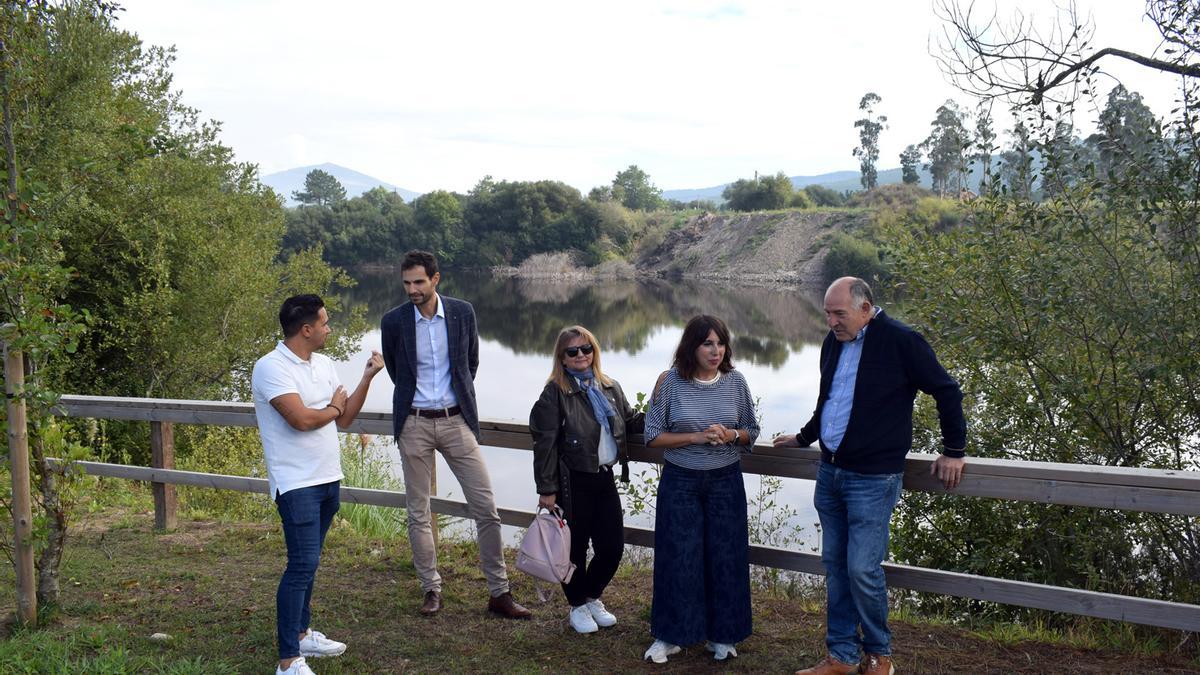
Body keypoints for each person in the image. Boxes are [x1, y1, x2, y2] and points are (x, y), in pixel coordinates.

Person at [777, 277, 967, 675]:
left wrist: (954, 451)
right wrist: (804, 437)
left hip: (872, 479)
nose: (830, 321)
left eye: (838, 313)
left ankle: (879, 656)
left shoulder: (902, 340)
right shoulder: (834, 342)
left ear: (866, 308)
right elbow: (829, 399)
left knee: (863, 568)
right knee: (837, 567)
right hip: (830, 473)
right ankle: (841, 657)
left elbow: (947, 391)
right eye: (827, 313)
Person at [379, 250, 531, 619]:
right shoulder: (393, 321)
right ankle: (431, 589)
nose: (412, 290)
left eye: (418, 282)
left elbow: (470, 364)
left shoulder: (463, 313)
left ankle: (500, 593)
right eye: (406, 283)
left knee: (487, 509)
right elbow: (399, 372)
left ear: (435, 279)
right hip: (413, 424)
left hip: (456, 422)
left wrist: (455, 403)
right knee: (418, 512)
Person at [251, 294, 386, 675]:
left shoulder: (324, 363)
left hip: (328, 478)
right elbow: (301, 419)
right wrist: (332, 409)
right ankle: (288, 659)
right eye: (325, 323)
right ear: (306, 329)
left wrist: (366, 378)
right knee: (301, 565)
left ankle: (302, 632)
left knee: (309, 564)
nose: (329, 328)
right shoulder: (270, 367)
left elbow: (343, 420)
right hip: (296, 484)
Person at [642, 315, 760, 664]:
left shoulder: (736, 382)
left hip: (726, 480)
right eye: (707, 343)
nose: (715, 350)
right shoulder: (670, 382)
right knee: (678, 556)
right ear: (691, 346)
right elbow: (652, 435)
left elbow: (751, 432)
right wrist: (694, 437)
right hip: (681, 480)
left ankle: (723, 636)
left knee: (727, 557)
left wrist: (730, 435)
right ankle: (671, 635)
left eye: (720, 343)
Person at [528, 325, 643, 634]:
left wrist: (663, 407)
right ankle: (577, 605)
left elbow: (630, 422)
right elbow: (545, 442)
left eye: (586, 349)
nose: (581, 355)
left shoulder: (610, 387)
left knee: (612, 548)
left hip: (603, 478)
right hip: (571, 481)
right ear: (562, 358)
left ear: (595, 351)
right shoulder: (555, 392)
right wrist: (547, 489)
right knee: (574, 550)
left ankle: (591, 596)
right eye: (572, 351)